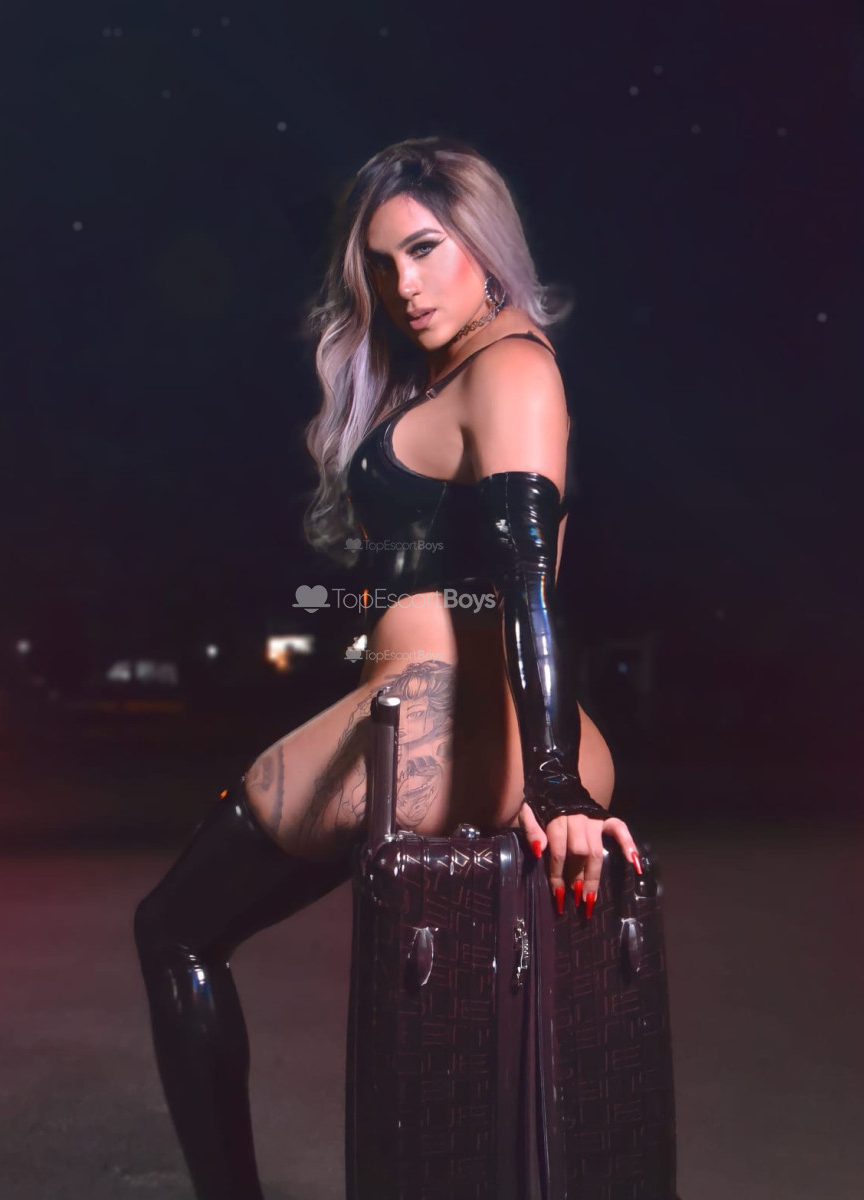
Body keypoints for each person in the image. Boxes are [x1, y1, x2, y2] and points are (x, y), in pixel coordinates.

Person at [134, 135, 642, 1200]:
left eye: (423, 249)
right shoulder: (467, 368)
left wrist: (555, 787)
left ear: (484, 244)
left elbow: (526, 581)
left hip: (443, 726)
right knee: (463, 1006)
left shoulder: (509, 366)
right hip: (470, 727)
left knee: (174, 928)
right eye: (381, 263)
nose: (403, 286)